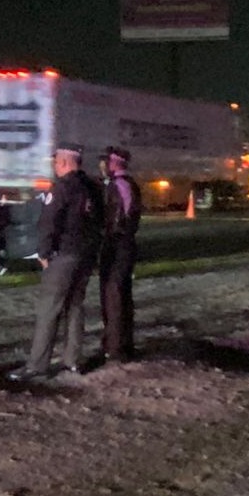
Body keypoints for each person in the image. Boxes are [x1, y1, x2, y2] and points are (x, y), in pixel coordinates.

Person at [9, 143, 104, 380]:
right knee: (75, 307)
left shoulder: (62, 187)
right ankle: (73, 360)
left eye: (55, 162)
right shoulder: (93, 186)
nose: (54, 166)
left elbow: (49, 222)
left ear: (63, 162)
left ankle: (37, 364)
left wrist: (43, 252)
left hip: (63, 255)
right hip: (86, 254)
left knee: (49, 309)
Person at [98, 146, 142, 363]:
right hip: (124, 245)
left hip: (117, 245)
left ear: (114, 163)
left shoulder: (119, 185)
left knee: (113, 296)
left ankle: (115, 347)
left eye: (106, 162)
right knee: (122, 295)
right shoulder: (128, 184)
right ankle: (122, 344)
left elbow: (118, 219)